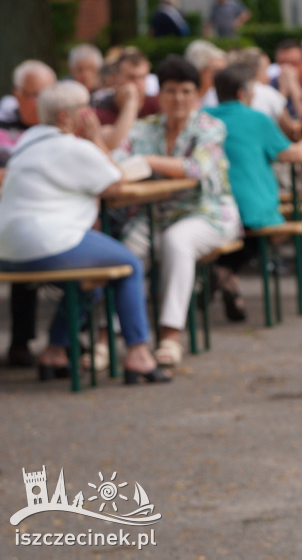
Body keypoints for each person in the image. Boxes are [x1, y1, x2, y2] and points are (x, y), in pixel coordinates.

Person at [0, 81, 170, 384]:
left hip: (8, 249)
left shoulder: (26, 144)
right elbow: (116, 180)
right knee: (129, 266)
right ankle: (138, 354)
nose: (90, 114)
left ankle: (55, 351)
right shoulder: (73, 147)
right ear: (65, 116)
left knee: (90, 282)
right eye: (84, 108)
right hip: (49, 242)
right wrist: (95, 139)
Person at [116, 55, 241, 368]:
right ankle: (112, 336)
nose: (179, 98)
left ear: (198, 94)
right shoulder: (144, 129)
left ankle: (171, 334)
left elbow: (197, 168)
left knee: (177, 241)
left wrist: (149, 162)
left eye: (186, 91)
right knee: (126, 251)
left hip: (208, 212)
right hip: (155, 213)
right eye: (171, 91)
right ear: (160, 95)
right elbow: (116, 161)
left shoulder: (210, 127)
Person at [205, 64, 302, 320]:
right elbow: (288, 154)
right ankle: (224, 273)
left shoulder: (203, 117)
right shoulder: (256, 118)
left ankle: (228, 279)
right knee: (272, 228)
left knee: (240, 232)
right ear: (242, 93)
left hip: (212, 204)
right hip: (251, 205)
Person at [0, 60, 56, 367]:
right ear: (17, 95)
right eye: (34, 95)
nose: (40, 102)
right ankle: (20, 342)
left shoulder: (61, 126)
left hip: (52, 215)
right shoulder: (3, 124)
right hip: (10, 217)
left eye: (46, 94)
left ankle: (66, 341)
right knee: (21, 237)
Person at [92, 49, 161, 148]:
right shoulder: (101, 107)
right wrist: (131, 101)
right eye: (131, 77)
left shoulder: (156, 104)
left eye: (142, 77)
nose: (138, 83)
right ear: (116, 78)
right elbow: (116, 144)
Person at [184, 39, 228, 108]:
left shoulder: (221, 98)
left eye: (224, 71)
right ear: (199, 71)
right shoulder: (181, 98)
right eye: (217, 71)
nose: (223, 75)